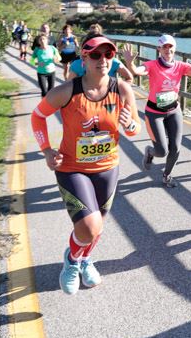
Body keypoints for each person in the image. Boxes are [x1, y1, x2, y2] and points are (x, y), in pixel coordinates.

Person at [30, 35, 141, 295]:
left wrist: (130, 124)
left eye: (108, 55)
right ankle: (72, 261)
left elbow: (135, 129)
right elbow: (37, 117)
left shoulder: (122, 88)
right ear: (84, 57)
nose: (103, 60)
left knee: (95, 227)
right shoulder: (68, 91)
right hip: (72, 168)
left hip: (107, 168)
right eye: (95, 55)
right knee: (90, 226)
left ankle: (84, 258)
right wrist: (47, 150)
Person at [128, 34, 191, 187]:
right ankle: (150, 152)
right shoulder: (153, 65)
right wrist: (130, 64)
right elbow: (138, 70)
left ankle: (166, 175)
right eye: (165, 46)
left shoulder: (181, 66)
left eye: (170, 46)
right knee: (162, 151)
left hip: (173, 111)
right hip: (154, 113)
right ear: (159, 49)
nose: (168, 49)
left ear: (174, 49)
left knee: (175, 148)